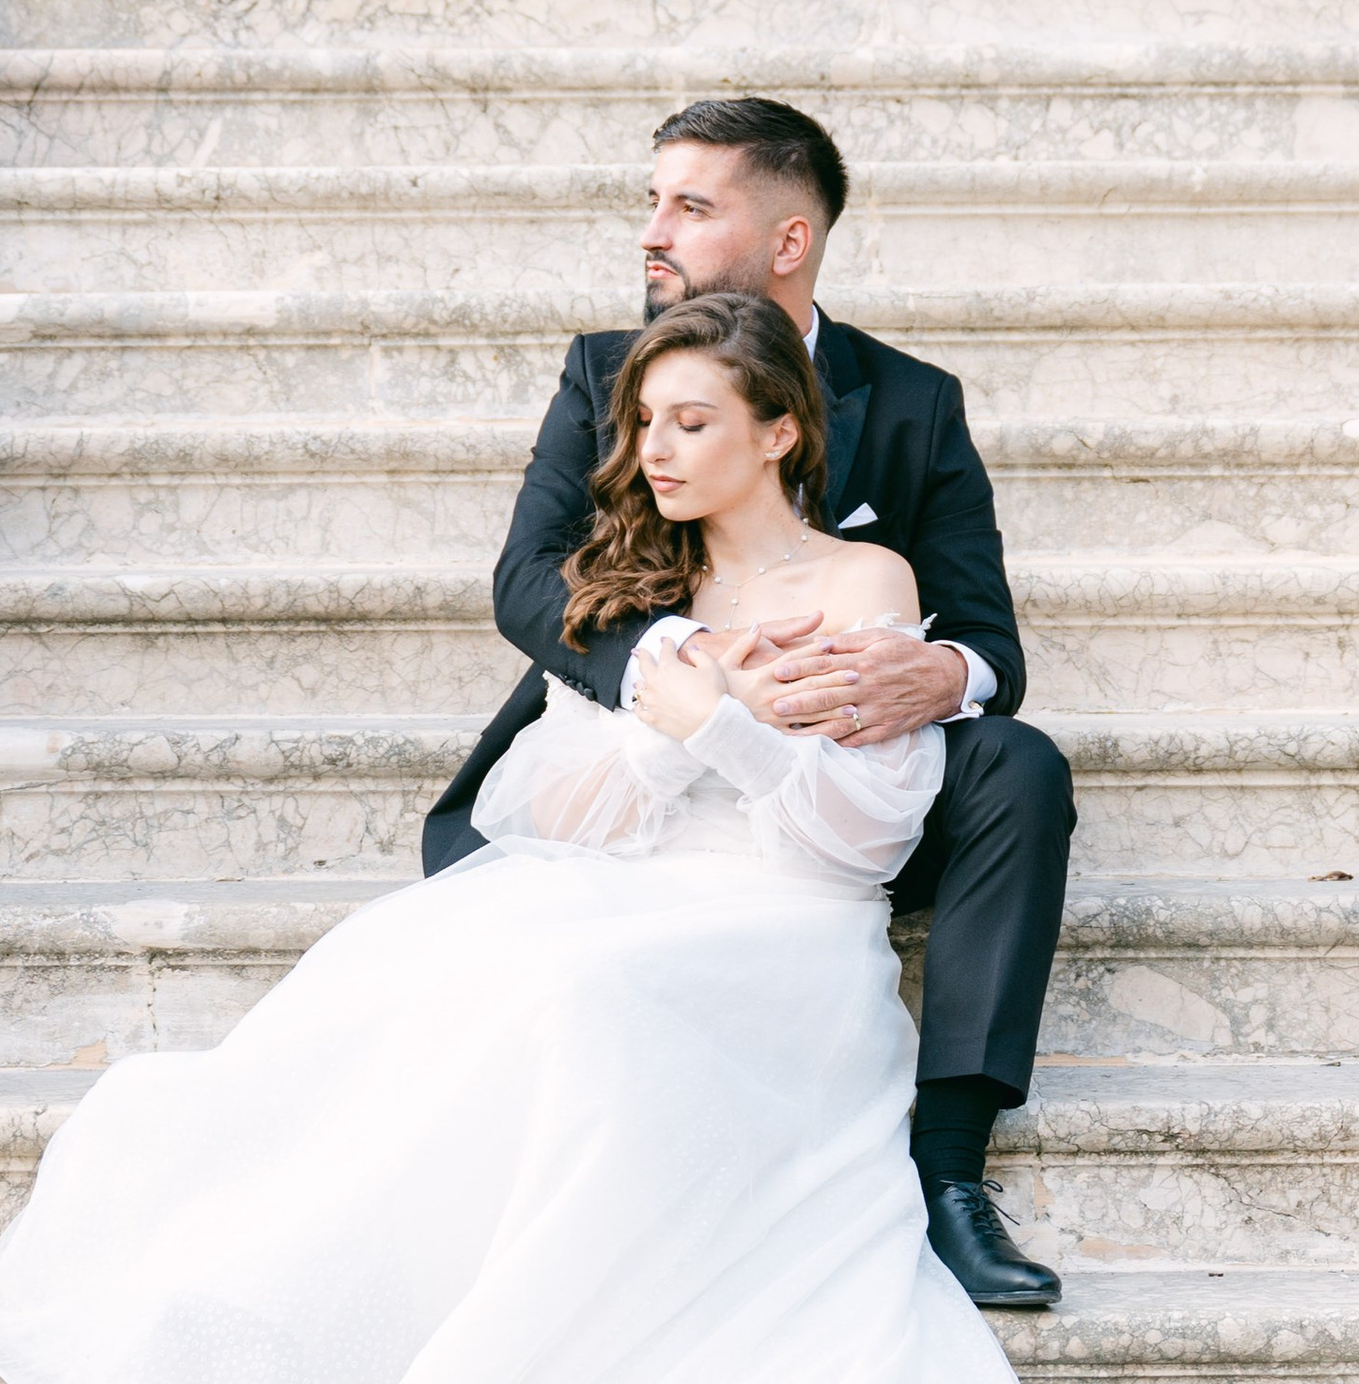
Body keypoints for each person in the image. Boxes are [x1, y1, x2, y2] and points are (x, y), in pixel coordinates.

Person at [0, 291, 1142, 1384]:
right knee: (463, 966)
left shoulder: (868, 591)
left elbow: (855, 835)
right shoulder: (646, 601)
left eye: (687, 424)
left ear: (780, 432)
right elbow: (565, 804)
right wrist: (675, 702)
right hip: (641, 895)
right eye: (643, 426)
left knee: (601, 1007)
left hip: (782, 941)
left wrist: (732, 720)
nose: (650, 452)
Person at [426, 94, 1074, 1310]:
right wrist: (701, 669)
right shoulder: (607, 369)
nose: (651, 230)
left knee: (1020, 762)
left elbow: (987, 633)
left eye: (690, 203)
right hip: (643, 739)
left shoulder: (915, 397)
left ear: (787, 239)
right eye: (652, 198)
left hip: (834, 764)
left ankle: (948, 1170)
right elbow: (529, 581)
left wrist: (944, 672)